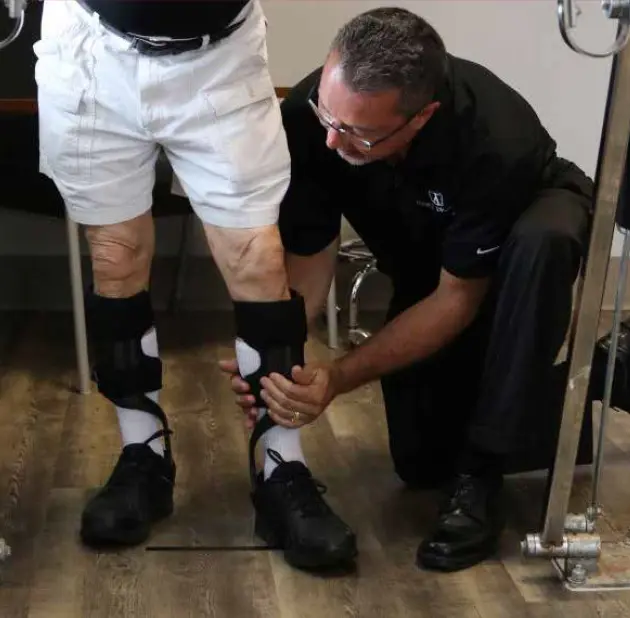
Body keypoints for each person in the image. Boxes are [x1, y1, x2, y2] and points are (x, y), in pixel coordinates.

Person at [221, 7, 595, 572]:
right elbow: (311, 255)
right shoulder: (312, 117)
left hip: (516, 247)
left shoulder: (494, 138)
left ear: (421, 118)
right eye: (328, 115)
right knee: (421, 464)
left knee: (542, 244)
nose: (332, 139)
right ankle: (583, 398)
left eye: (357, 133)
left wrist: (337, 378)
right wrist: (276, 362)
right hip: (431, 267)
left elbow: (458, 299)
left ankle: (483, 475)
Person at [33, 0, 357, 570]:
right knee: (115, 257)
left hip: (218, 54)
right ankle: (144, 456)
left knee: (258, 258)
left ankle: (280, 466)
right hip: (93, 49)